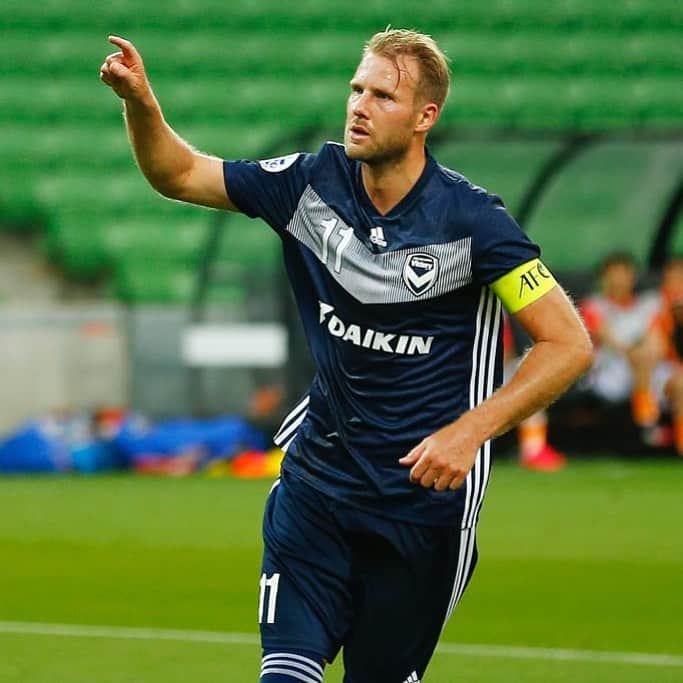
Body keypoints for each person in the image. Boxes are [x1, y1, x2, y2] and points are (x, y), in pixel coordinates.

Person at [100, 29, 592, 683]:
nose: (358, 104)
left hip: (419, 506)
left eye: (381, 94)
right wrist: (139, 101)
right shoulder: (310, 184)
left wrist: (472, 430)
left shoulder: (474, 224)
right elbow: (180, 173)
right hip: (316, 487)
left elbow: (567, 341)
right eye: (356, 88)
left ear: (425, 117)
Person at [580, 252, 666, 445]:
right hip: (609, 372)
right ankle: (647, 423)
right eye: (613, 274)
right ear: (604, 278)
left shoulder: (647, 305)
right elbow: (610, 341)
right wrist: (636, 353)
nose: (618, 280)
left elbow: (656, 342)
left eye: (623, 274)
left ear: (632, 276)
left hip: (649, 368)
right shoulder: (594, 305)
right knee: (643, 357)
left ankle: (660, 431)